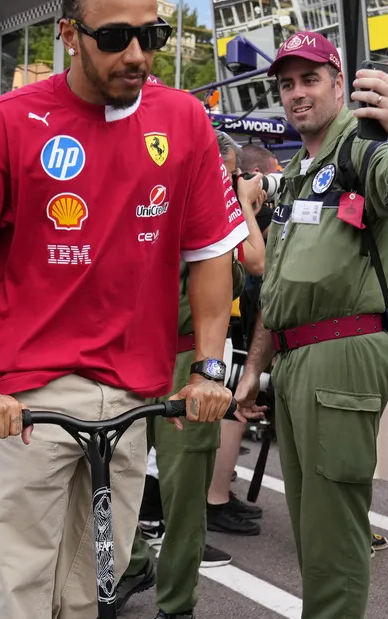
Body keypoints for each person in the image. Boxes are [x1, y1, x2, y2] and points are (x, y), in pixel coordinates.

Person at [0, 0, 247, 619]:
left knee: (98, 587)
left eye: (151, 37)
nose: (136, 54)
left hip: (131, 395)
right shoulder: (8, 123)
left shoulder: (183, 121)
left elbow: (211, 253)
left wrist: (210, 367)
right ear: (69, 33)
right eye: (115, 37)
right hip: (27, 399)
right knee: (21, 592)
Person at [233, 31, 388, 619]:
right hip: (298, 358)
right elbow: (280, 285)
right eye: (286, 84)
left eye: (310, 80)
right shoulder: (301, 168)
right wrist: (254, 369)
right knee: (310, 529)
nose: (296, 94)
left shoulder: (364, 148)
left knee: (334, 532)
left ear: (338, 81)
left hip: (341, 350)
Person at [115, 129, 267, 619]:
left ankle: (177, 605)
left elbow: (250, 267)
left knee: (182, 501)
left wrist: (239, 206)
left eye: (224, 174)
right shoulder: (145, 201)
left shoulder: (223, 219)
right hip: (129, 361)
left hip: (193, 362)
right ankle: (134, 562)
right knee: (106, 477)